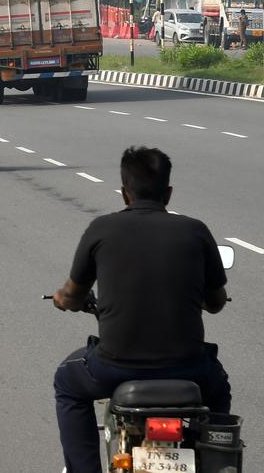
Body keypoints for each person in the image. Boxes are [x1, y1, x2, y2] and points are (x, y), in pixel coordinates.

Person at [51, 147, 231, 473]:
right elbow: (217, 302)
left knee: (67, 381)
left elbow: (72, 293)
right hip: (190, 369)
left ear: (124, 194)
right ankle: (217, 460)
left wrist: (63, 300)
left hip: (113, 367)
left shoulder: (101, 229)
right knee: (218, 387)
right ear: (169, 192)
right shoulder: (196, 231)